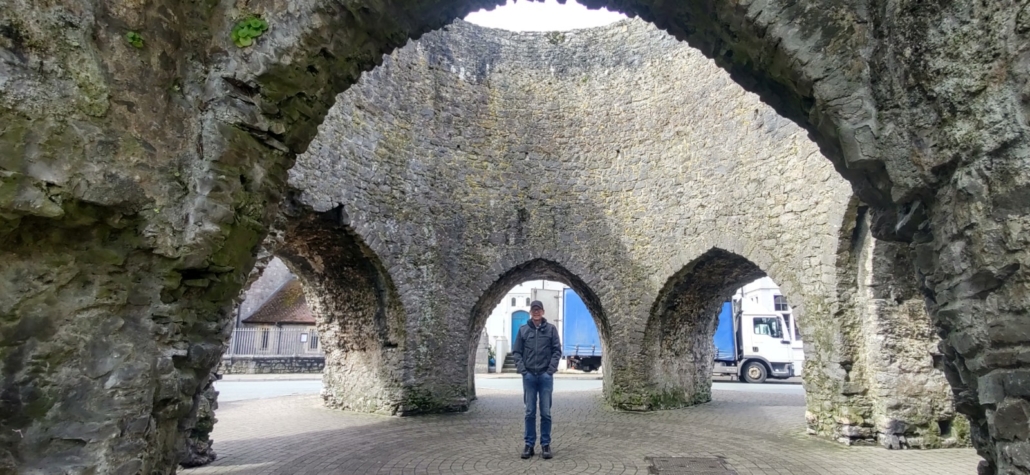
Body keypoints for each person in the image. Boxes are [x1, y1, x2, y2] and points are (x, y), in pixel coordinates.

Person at [511, 299, 562, 460]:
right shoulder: (523, 330)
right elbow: (517, 352)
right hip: (530, 377)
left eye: (539, 309)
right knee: (529, 412)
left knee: (546, 412)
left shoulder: (551, 330)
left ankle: (545, 445)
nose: (536, 312)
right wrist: (523, 371)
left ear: (543, 312)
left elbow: (556, 351)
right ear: (530, 312)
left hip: (545, 376)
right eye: (534, 309)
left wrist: (550, 370)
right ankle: (529, 445)